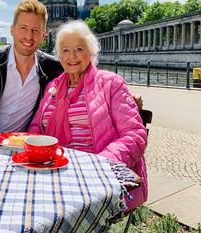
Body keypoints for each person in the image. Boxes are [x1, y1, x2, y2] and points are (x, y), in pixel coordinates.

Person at [0, 0, 142, 141]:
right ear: (12, 30)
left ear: (44, 35)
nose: (29, 36)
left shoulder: (53, 68)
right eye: (23, 28)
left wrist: (121, 96)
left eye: (36, 30)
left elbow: (85, 77)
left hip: (22, 150)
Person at [28, 21, 147, 211]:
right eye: (65, 50)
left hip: (96, 180)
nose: (72, 56)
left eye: (79, 49)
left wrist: (97, 166)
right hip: (52, 172)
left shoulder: (111, 83)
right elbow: (36, 129)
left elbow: (135, 135)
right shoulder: (52, 87)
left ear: (91, 51)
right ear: (59, 55)